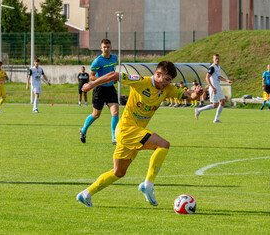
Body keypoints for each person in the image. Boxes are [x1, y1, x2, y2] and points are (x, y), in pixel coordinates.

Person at [76, 61, 203, 207]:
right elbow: (114, 75)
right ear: (157, 74)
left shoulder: (167, 89)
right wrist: (91, 85)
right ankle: (148, 185)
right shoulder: (141, 81)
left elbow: (188, 95)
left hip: (130, 134)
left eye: (170, 80)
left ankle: (86, 194)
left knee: (118, 172)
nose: (168, 83)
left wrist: (196, 94)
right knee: (163, 144)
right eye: (166, 79)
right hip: (126, 129)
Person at [79, 39, 119, 145]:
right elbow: (91, 76)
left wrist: (113, 79)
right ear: (101, 48)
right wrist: (103, 80)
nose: (106, 49)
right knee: (96, 115)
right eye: (104, 47)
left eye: (108, 47)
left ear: (111, 48)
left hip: (110, 89)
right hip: (99, 90)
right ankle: (83, 130)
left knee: (115, 112)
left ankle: (114, 137)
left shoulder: (114, 58)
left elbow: (112, 71)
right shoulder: (97, 61)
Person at [195, 54, 232, 123]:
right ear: (213, 59)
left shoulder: (218, 67)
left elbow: (219, 77)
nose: (217, 60)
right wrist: (212, 87)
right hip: (213, 88)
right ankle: (198, 110)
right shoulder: (212, 68)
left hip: (218, 87)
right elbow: (207, 77)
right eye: (216, 59)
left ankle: (216, 119)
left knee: (222, 101)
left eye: (218, 58)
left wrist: (227, 80)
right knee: (215, 105)